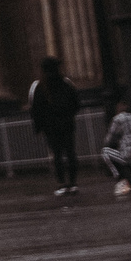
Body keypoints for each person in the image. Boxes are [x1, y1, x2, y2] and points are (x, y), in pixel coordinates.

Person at [28, 56, 82, 197]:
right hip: (67, 125)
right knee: (70, 154)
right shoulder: (66, 83)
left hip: (50, 128)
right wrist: (68, 116)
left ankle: (61, 184)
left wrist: (39, 128)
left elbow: (35, 109)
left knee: (57, 155)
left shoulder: (38, 86)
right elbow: (76, 104)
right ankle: (73, 183)